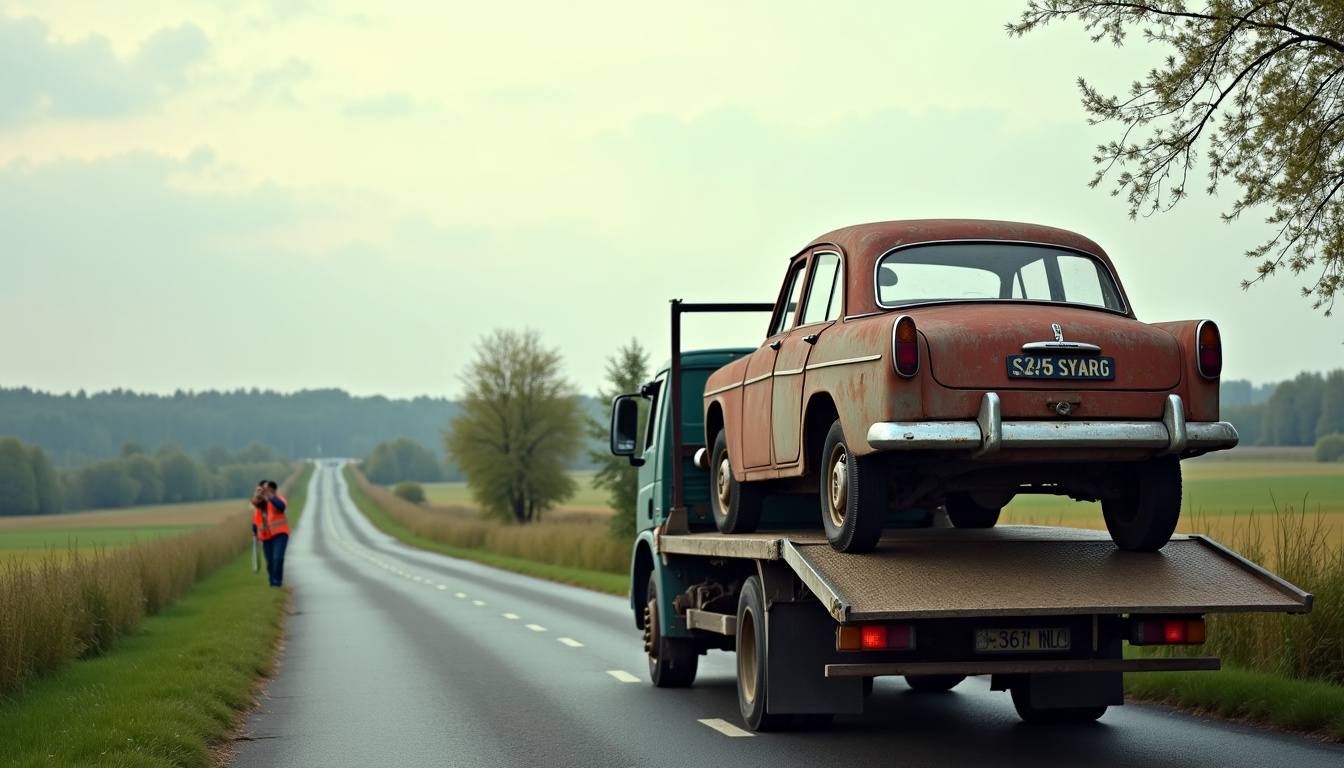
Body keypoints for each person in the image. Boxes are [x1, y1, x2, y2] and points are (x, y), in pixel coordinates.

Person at [252, 479, 290, 587]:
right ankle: (272, 582)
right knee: (270, 561)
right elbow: (256, 520)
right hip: (265, 535)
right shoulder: (259, 503)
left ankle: (277, 582)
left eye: (267, 490)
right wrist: (255, 533)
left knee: (278, 558)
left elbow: (282, 507)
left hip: (280, 533)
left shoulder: (278, 499)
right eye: (263, 490)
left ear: (273, 490)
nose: (265, 492)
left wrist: (271, 498)